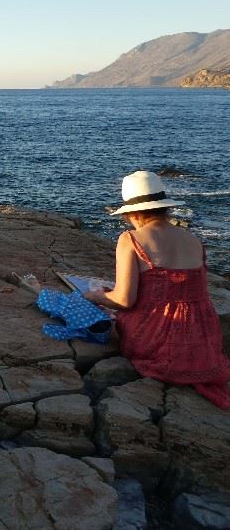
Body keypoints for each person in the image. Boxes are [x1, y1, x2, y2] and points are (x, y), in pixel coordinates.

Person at [84, 170, 230, 409]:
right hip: (203, 341)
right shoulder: (193, 240)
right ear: (164, 207)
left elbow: (124, 300)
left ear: (132, 213)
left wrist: (96, 295)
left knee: (102, 314)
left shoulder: (130, 239)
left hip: (159, 338)